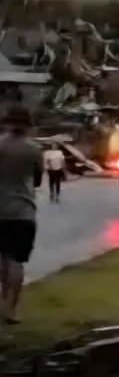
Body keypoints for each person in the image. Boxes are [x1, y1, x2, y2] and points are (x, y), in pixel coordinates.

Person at [0, 106, 43, 324]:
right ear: (27, 126)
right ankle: (10, 309)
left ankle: (2, 301)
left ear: (6, 123)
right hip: (23, 211)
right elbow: (37, 179)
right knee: (17, 260)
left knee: (3, 260)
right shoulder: (34, 149)